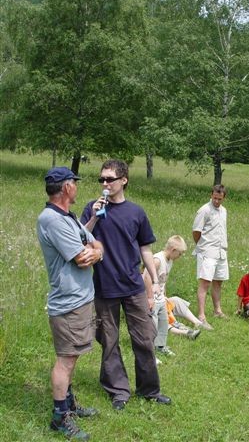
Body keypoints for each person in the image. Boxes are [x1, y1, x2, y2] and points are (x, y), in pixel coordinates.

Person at [81, 159, 170, 411]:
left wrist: (154, 280)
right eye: (102, 179)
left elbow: (145, 248)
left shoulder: (136, 212)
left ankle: (149, 390)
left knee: (143, 338)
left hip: (132, 286)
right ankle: (118, 391)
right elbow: (81, 239)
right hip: (104, 286)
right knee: (109, 341)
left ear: (123, 180)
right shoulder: (92, 208)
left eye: (109, 179)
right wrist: (94, 219)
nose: (105, 183)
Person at [37, 167, 104, 441]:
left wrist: (96, 251)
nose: (77, 187)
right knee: (65, 360)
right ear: (66, 188)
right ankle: (59, 417)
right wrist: (94, 253)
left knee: (73, 356)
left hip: (81, 298)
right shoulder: (51, 219)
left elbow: (95, 244)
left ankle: (69, 404)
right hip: (67, 303)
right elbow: (81, 257)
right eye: (74, 183)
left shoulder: (70, 217)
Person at [143, 235, 188, 358]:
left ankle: (160, 346)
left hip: (161, 298)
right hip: (152, 298)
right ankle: (149, 352)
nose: (180, 257)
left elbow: (164, 280)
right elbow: (146, 277)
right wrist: (150, 297)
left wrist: (165, 296)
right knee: (153, 325)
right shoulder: (158, 260)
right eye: (179, 254)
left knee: (164, 322)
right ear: (173, 250)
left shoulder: (170, 261)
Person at [193, 185, 229, 329]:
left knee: (218, 281)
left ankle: (217, 310)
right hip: (207, 251)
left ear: (224, 198)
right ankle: (201, 316)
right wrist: (202, 246)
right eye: (214, 198)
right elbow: (196, 231)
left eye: (219, 199)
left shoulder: (224, 211)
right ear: (211, 195)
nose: (216, 201)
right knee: (205, 283)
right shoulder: (204, 210)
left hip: (221, 250)